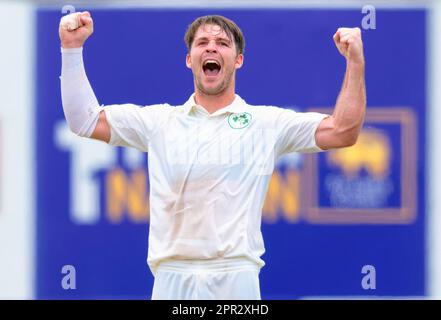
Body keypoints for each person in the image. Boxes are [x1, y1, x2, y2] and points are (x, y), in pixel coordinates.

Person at [59, 12, 366, 300]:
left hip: (236, 276)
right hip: (171, 277)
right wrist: (71, 49)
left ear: (239, 59)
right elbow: (83, 121)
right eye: (202, 43)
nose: (212, 48)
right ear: (189, 60)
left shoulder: (266, 124)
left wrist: (355, 62)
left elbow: (343, 131)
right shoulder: (159, 123)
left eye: (222, 43)